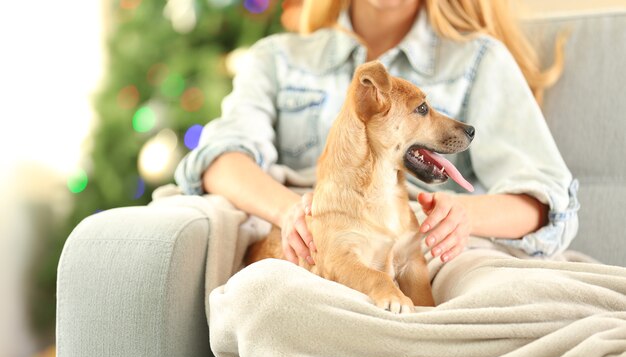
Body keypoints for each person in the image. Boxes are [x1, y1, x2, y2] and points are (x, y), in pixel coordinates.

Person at [175, 0, 579, 267]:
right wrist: (291, 213)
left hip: (428, 256)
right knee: (265, 296)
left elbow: (544, 202)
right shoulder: (277, 59)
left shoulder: (480, 60)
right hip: (318, 257)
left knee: (480, 285)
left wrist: (463, 216)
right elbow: (219, 160)